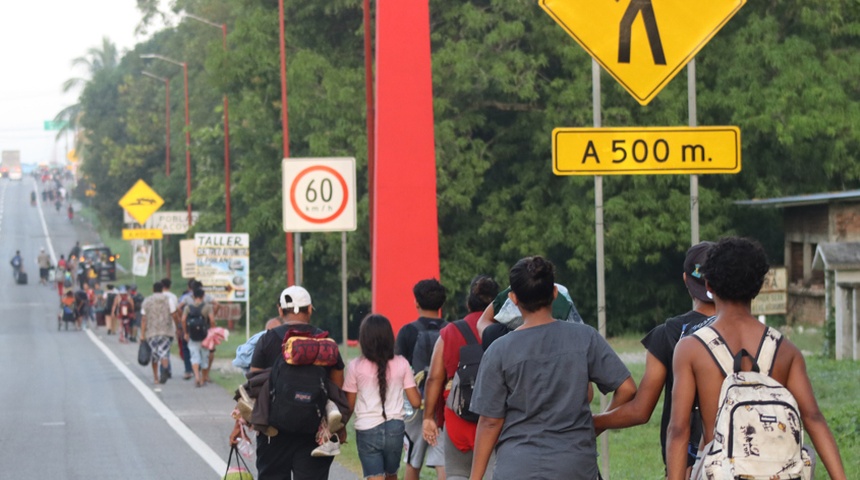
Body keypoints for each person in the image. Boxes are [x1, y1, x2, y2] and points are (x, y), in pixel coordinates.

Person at [666, 237, 847, 480]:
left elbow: (679, 430)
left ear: (708, 284)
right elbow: (813, 417)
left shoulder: (691, 349)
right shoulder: (786, 350)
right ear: (759, 286)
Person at [469, 256, 637, 480]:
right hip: (575, 463)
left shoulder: (499, 350)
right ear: (555, 294)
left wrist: (475, 478)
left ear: (514, 298)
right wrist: (597, 423)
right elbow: (627, 388)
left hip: (518, 466)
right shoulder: (585, 337)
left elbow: (490, 421)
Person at [593, 241, 716, 476]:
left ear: (685, 280)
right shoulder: (744, 332)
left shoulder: (668, 334)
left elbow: (641, 410)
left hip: (688, 464)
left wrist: (594, 422)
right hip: (744, 456)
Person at [244, 285, 345, 480]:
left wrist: (242, 423)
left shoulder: (267, 340)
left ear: (280, 310)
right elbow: (337, 388)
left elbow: (253, 387)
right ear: (309, 309)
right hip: (314, 432)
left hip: (273, 432)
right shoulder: (325, 343)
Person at [422, 275, 499, 480]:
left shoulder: (450, 332)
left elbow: (434, 378)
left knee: (457, 474)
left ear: (468, 303)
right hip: (496, 418)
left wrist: (429, 417)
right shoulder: (505, 330)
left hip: (458, 416)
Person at [345, 314, 423, 480]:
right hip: (395, 429)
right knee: (391, 475)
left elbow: (349, 405)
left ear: (363, 339)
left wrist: (340, 428)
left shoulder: (355, 366)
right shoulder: (401, 363)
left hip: (367, 429)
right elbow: (416, 402)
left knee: (376, 477)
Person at [395, 279, 447, 480]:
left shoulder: (407, 331)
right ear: (441, 304)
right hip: (443, 402)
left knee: (412, 460)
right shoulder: (451, 329)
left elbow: (398, 365)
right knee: (442, 459)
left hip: (416, 403)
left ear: (416, 302)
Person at [140, 281, 177, 385]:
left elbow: (143, 319)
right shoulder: (168, 300)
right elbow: (174, 314)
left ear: (153, 290)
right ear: (162, 290)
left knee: (154, 356)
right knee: (164, 353)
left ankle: (156, 378)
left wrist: (142, 334)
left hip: (151, 332)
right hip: (165, 331)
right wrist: (177, 326)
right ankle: (165, 369)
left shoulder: (147, 301)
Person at [181, 287, 215, 387]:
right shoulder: (208, 307)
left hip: (192, 335)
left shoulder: (188, 307)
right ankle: (203, 379)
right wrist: (212, 332)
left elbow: (183, 320)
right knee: (205, 356)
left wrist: (186, 333)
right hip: (205, 336)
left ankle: (196, 377)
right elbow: (212, 320)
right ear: (203, 296)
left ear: (193, 296)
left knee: (194, 356)